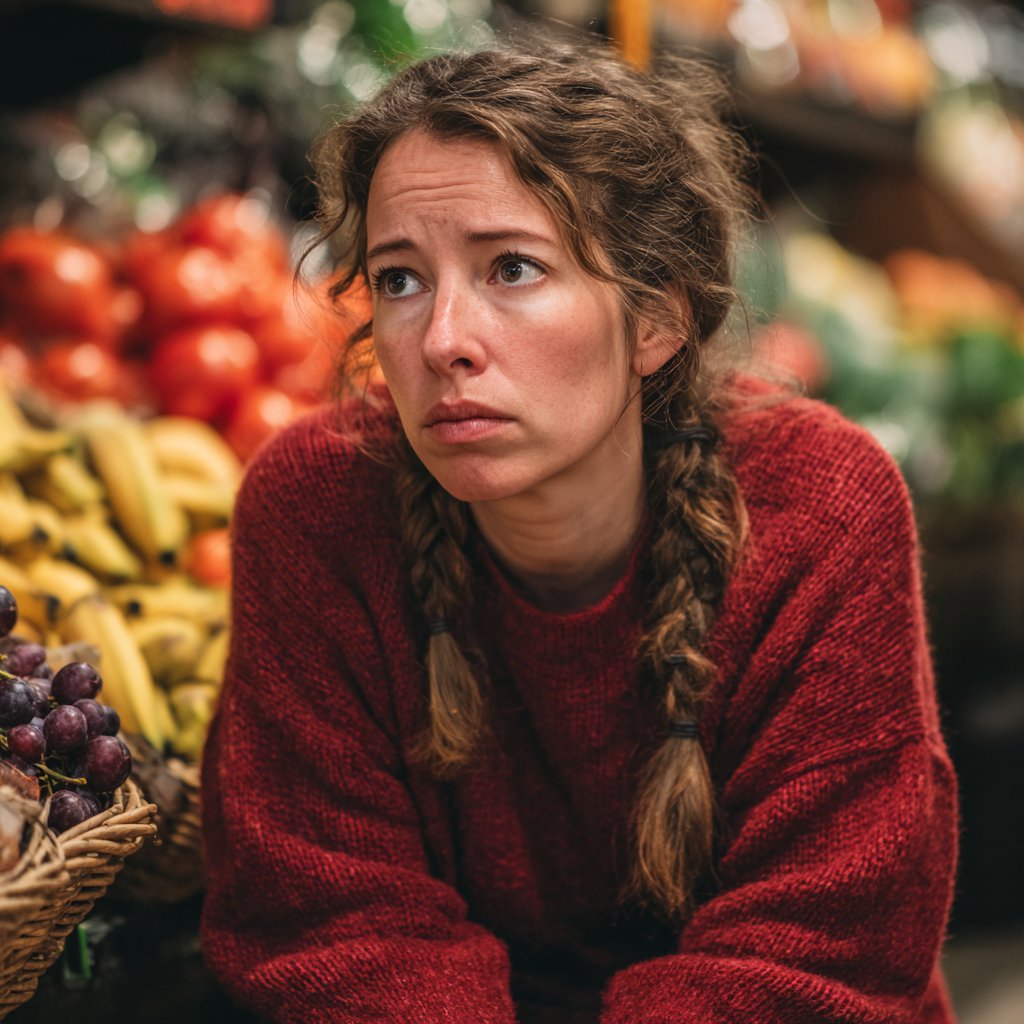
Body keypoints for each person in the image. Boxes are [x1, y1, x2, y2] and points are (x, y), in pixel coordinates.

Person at [199, 39, 959, 1024]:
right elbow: (330, 918)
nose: (441, 340)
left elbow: (816, 949)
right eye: (398, 279)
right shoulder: (314, 506)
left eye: (511, 268)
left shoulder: (820, 507)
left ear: (657, 319)